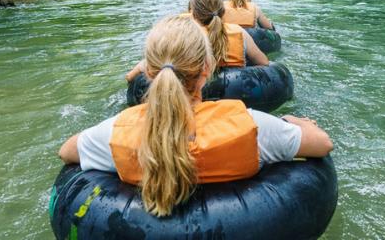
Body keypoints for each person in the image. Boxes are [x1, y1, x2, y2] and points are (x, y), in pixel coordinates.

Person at [59, 14, 333, 216]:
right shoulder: (255, 126)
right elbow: (322, 144)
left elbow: (67, 152)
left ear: (149, 73)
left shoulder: (115, 131)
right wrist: (291, 121)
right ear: (207, 69)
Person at [126, 0, 268, 81]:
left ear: (192, 13)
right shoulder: (239, 32)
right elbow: (264, 64)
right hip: (236, 90)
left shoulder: (183, 36)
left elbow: (131, 77)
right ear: (223, 12)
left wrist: (136, 71)